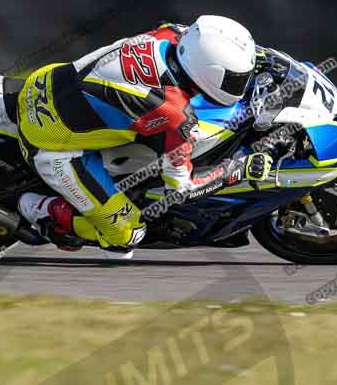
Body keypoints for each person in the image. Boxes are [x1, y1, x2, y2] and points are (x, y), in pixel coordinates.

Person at [15, 15, 274, 257]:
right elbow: (182, 190)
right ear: (210, 73)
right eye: (236, 79)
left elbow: (213, 47)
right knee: (127, 238)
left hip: (46, 80)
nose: (240, 83)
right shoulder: (170, 113)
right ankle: (39, 208)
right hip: (52, 146)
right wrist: (237, 170)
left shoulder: (174, 34)